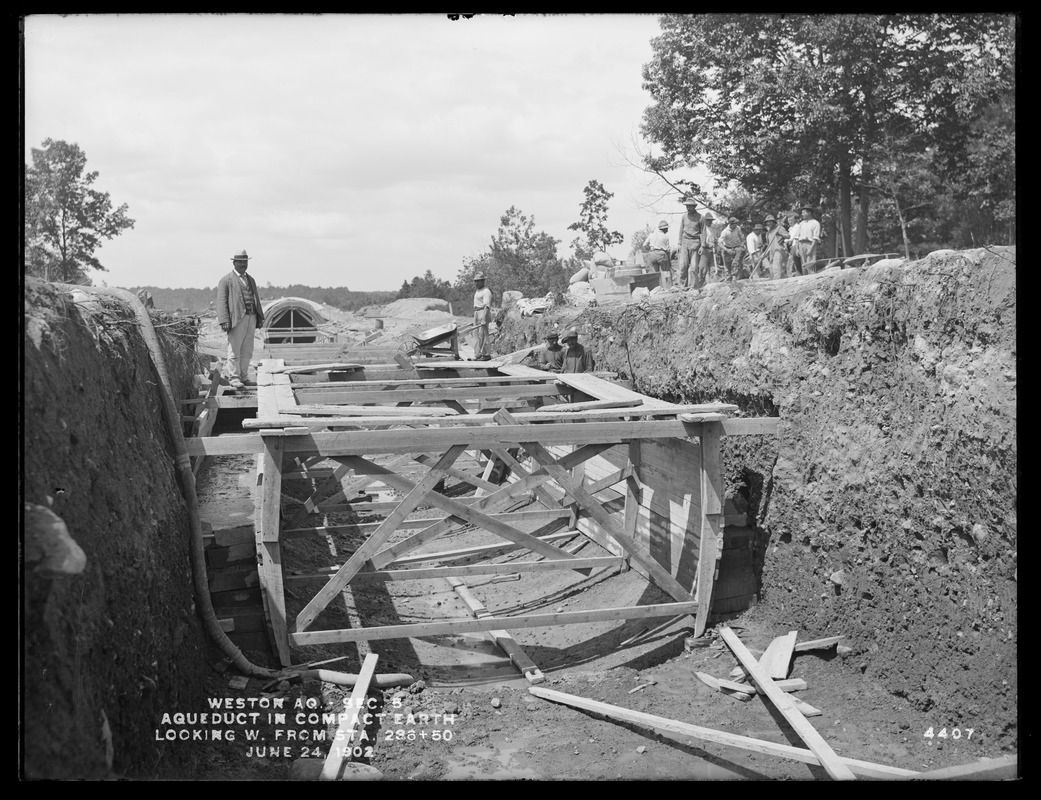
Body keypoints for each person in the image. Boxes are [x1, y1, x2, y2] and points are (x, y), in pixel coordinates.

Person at [217, 250, 264, 389]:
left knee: (247, 350)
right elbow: (221, 302)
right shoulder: (226, 280)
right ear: (234, 263)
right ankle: (234, 377)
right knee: (234, 350)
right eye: (240, 262)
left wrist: (259, 316)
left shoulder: (251, 280)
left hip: (251, 317)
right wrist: (224, 320)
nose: (243, 264)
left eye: (245, 262)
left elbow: (255, 299)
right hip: (236, 318)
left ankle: (244, 377)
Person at [676, 196, 705, 289]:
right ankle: (682, 287)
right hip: (685, 243)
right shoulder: (684, 217)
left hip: (695, 243)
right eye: (687, 206)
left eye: (690, 206)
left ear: (694, 207)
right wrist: (679, 243)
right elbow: (681, 230)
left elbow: (703, 231)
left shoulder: (701, 218)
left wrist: (703, 245)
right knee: (683, 266)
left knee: (694, 267)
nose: (688, 208)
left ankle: (693, 287)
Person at [643, 220, 673, 288]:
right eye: (667, 228)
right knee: (666, 273)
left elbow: (644, 245)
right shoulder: (665, 237)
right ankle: (667, 288)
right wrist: (669, 260)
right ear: (664, 228)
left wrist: (650, 250)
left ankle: (657, 288)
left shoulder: (651, 235)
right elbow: (668, 250)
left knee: (656, 274)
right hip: (662, 255)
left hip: (652, 255)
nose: (667, 230)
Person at [472, 272, 493, 360]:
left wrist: (484, 318)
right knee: (476, 334)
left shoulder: (486, 291)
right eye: (475, 281)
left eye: (478, 281)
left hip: (482, 312)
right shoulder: (478, 291)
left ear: (482, 281)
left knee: (483, 334)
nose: (476, 283)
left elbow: (486, 306)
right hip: (477, 312)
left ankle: (486, 354)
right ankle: (478, 354)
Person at [695, 210, 720, 287]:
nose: (710, 222)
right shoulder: (702, 229)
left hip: (712, 252)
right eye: (708, 220)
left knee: (713, 269)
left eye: (711, 220)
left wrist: (716, 248)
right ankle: (699, 286)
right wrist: (708, 244)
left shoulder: (712, 229)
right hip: (704, 251)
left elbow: (715, 240)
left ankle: (713, 285)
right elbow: (701, 241)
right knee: (703, 269)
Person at [763, 215, 791, 280]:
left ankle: (777, 281)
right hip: (772, 251)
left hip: (779, 249)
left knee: (776, 266)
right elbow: (768, 245)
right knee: (771, 267)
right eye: (767, 222)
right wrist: (764, 254)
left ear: (773, 222)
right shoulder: (768, 232)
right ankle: (776, 280)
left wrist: (780, 234)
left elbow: (788, 236)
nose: (769, 223)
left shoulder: (779, 228)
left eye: (770, 222)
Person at [718, 217, 745, 281]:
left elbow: (741, 236)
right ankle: (728, 278)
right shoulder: (725, 232)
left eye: (736, 223)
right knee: (727, 264)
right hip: (727, 248)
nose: (736, 225)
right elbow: (719, 243)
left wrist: (742, 243)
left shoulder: (737, 228)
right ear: (731, 224)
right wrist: (727, 250)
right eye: (735, 224)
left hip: (736, 247)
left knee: (736, 262)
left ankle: (734, 276)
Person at [795, 205, 821, 272]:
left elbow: (815, 238)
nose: (802, 214)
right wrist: (797, 249)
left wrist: (811, 249)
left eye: (804, 213)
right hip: (801, 244)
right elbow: (797, 237)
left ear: (809, 213)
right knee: (803, 264)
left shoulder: (815, 223)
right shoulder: (801, 224)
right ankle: (804, 279)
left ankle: (812, 278)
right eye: (802, 213)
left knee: (810, 263)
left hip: (810, 244)